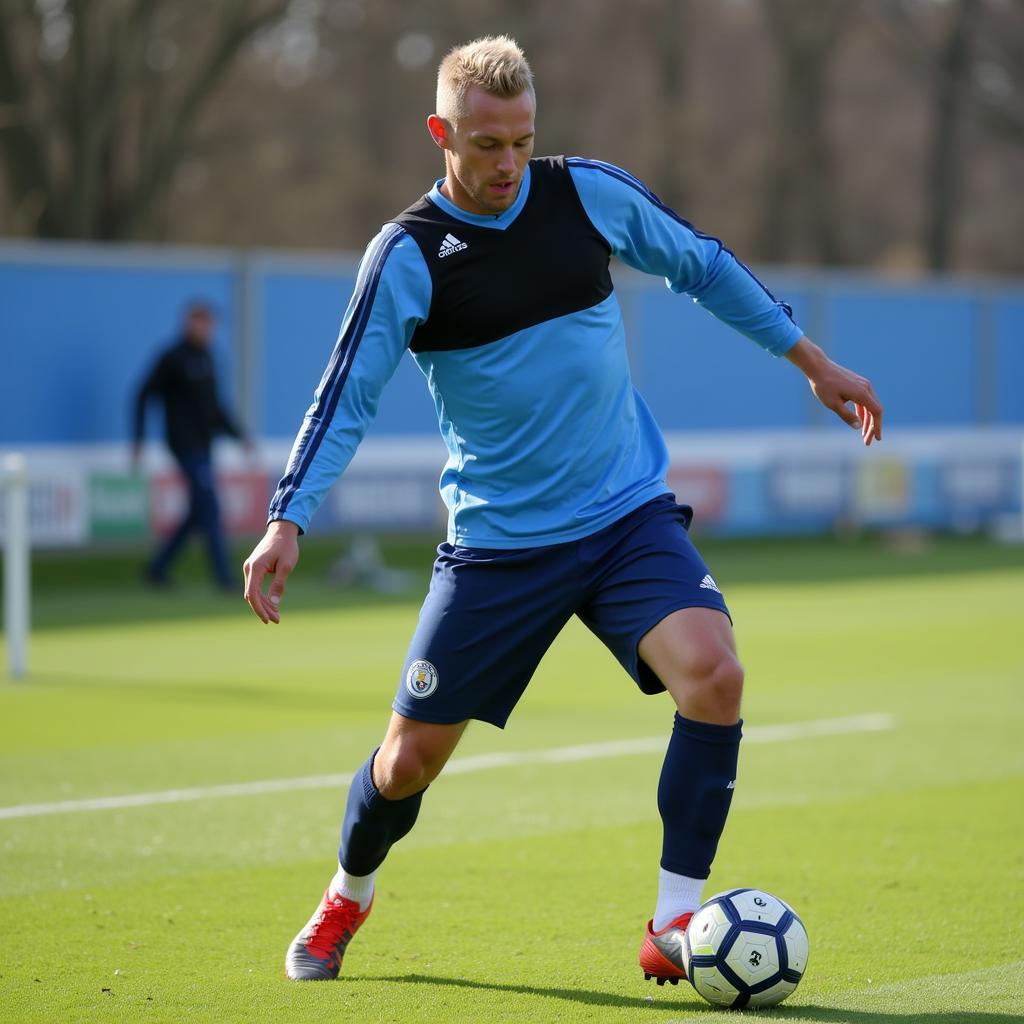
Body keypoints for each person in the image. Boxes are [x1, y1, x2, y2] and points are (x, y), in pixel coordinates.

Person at [242, 36, 883, 984]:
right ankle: (348, 892)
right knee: (405, 767)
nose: (508, 164)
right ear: (440, 134)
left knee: (715, 675)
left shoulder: (587, 193)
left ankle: (672, 923)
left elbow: (701, 264)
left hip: (625, 517)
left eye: (521, 141)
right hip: (498, 549)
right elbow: (346, 397)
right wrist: (288, 516)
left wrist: (811, 360)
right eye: (486, 143)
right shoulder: (408, 257)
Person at [134, 302, 249, 590]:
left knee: (198, 511)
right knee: (209, 507)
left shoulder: (209, 358)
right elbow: (142, 394)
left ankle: (156, 569)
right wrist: (138, 439)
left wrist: (239, 435)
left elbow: (214, 407)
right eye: (199, 322)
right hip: (184, 446)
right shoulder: (173, 358)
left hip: (205, 445)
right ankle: (224, 578)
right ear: (187, 323)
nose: (204, 329)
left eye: (209, 324)